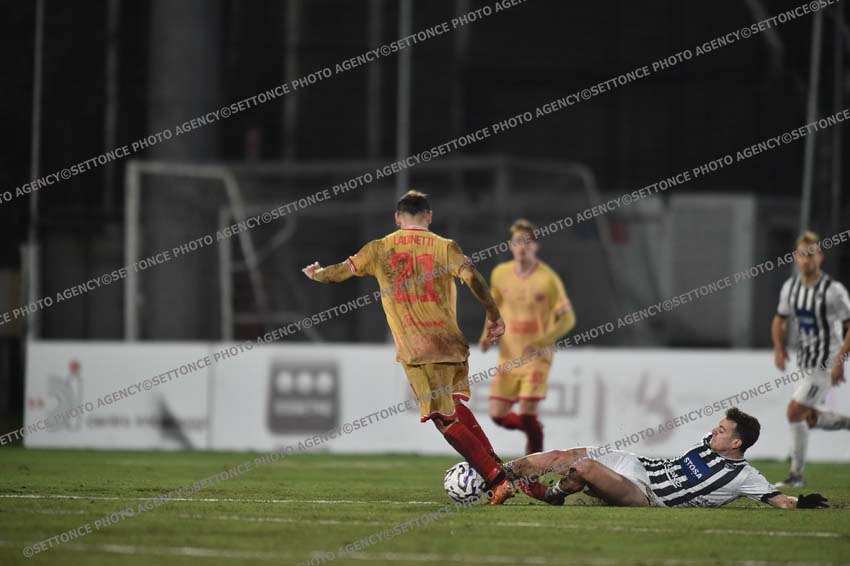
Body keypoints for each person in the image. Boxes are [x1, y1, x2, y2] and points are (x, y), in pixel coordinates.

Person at [302, 190, 511, 493]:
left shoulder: (379, 248)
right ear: (429, 217)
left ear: (397, 218)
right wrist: (493, 315)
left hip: (419, 349)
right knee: (453, 407)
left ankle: (497, 480)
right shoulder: (446, 246)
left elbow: (339, 273)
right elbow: (472, 277)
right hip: (452, 344)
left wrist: (317, 274)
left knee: (444, 420)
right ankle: (498, 467)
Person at [492, 407, 828, 509]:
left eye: (723, 430)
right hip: (637, 464)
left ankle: (553, 494)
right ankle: (493, 472)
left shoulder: (743, 476)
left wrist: (804, 503)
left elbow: (780, 501)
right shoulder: (708, 443)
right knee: (559, 456)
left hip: (645, 494)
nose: (714, 431)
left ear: (736, 443)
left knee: (584, 468)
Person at [480, 219, 575, 454]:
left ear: (536, 246)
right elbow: (493, 309)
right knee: (497, 415)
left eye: (527, 242)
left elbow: (568, 319)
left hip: (537, 359)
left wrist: (542, 342)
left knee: (526, 414)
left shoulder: (548, 278)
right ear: (510, 246)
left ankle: (535, 467)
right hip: (508, 357)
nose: (522, 247)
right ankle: (535, 431)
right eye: (517, 242)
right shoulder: (500, 274)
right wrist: (486, 335)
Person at [772, 231, 850, 488]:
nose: (806, 260)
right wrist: (779, 348)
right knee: (806, 417)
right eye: (802, 255)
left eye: (811, 255)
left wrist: (840, 361)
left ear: (820, 257)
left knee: (794, 411)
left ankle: (796, 476)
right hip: (803, 363)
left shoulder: (833, 291)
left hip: (825, 363)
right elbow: (779, 319)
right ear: (796, 257)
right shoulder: (790, 288)